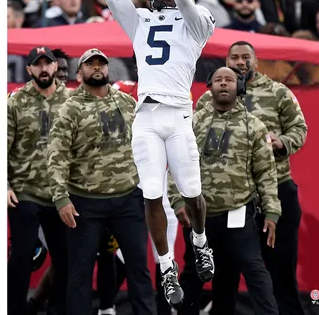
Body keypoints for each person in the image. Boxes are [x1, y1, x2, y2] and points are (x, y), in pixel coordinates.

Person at [104, 0, 215, 308]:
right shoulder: (140, 22)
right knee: (152, 193)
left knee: (192, 194)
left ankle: (199, 242)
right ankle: (167, 267)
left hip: (180, 114)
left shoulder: (198, 21)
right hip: (147, 115)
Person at [195, 41, 308, 315]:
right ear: (227, 60)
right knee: (226, 269)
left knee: (279, 266)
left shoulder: (278, 91)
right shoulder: (209, 98)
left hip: (276, 186)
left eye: (246, 57)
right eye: (234, 57)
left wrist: (280, 142)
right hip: (228, 198)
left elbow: (300, 129)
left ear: (256, 61)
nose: (240, 62)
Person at [47, 48, 156, 315]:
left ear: (108, 69)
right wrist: (61, 198)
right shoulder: (69, 108)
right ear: (79, 72)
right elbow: (56, 154)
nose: (97, 67)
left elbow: (146, 143)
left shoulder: (126, 102)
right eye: (90, 64)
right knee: (80, 272)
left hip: (127, 198)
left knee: (139, 268)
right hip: (85, 202)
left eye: (101, 64)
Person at [169, 66, 281, 315]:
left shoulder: (254, 126)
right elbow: (176, 163)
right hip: (200, 217)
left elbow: (266, 172)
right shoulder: (193, 123)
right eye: (218, 79)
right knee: (193, 275)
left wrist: (272, 213)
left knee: (253, 270)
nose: (223, 84)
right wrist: (177, 201)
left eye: (229, 80)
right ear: (209, 86)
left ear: (239, 87)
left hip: (239, 214)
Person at [113, 54, 178, 315]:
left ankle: (165, 310)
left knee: (165, 255)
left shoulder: (175, 95)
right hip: (126, 186)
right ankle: (107, 306)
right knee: (123, 254)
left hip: (160, 187)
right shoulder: (120, 91)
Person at [8, 46, 71, 315]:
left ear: (56, 67)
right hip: (26, 190)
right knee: (22, 255)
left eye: (48, 63)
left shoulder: (72, 100)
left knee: (66, 259)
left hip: (61, 194)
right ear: (29, 69)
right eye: (38, 64)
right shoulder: (15, 102)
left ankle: (58, 309)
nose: (43, 68)